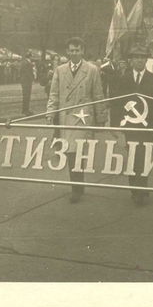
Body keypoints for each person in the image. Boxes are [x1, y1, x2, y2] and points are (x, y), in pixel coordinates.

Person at [46, 37, 107, 203]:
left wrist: (101, 117)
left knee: (76, 152)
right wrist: (51, 112)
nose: (74, 53)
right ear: (67, 51)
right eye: (71, 50)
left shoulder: (92, 70)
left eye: (77, 50)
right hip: (65, 116)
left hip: (82, 116)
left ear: (82, 51)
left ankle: (77, 189)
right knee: (70, 152)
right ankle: (77, 186)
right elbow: (54, 94)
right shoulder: (60, 70)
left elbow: (98, 94)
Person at [112, 44, 153, 206]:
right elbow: (117, 103)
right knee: (133, 157)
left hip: (147, 126)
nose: (139, 60)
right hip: (129, 125)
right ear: (131, 60)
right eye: (136, 58)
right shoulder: (124, 79)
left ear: (146, 60)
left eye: (142, 57)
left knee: (144, 157)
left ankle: (142, 187)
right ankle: (136, 190)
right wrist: (115, 125)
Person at [20, 51, 35, 116]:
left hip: (23, 80)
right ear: (30, 56)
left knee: (25, 95)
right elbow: (29, 73)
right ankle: (26, 110)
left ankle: (25, 109)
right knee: (27, 96)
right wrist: (32, 79)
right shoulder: (28, 64)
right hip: (27, 81)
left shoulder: (23, 62)